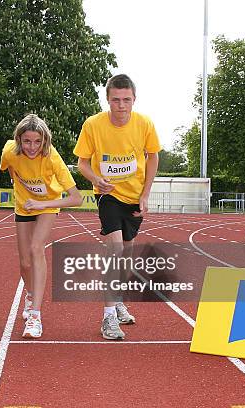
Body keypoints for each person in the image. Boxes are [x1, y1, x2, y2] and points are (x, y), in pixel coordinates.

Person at [74, 74, 161, 340]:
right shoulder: (93, 125)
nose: (121, 105)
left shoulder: (144, 123)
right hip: (107, 195)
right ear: (108, 100)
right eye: (116, 100)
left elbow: (153, 157)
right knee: (115, 250)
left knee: (127, 255)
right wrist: (96, 178)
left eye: (126, 100)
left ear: (134, 99)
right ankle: (108, 317)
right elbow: (82, 163)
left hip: (134, 197)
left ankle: (119, 300)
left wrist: (145, 194)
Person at [0, 114, 83, 339]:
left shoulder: (53, 159)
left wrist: (42, 202)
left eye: (37, 141)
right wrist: (17, 182)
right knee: (25, 262)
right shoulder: (9, 151)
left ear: (45, 140)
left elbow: (77, 199)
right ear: (19, 140)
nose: (32, 147)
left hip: (47, 205)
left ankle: (35, 315)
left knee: (37, 249)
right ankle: (30, 293)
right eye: (27, 141)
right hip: (23, 206)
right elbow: (8, 167)